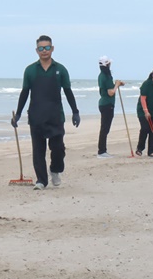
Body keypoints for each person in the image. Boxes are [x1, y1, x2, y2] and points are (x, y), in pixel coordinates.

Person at [12, 35, 80, 189]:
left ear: (52, 49)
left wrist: (75, 111)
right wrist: (18, 114)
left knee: (58, 149)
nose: (44, 51)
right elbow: (24, 93)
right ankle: (41, 181)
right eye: (41, 48)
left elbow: (68, 91)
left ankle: (55, 170)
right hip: (36, 116)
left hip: (55, 116)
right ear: (37, 50)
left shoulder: (60, 69)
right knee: (38, 151)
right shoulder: (30, 70)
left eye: (47, 47)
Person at [96, 56, 123, 158]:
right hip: (107, 104)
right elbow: (111, 92)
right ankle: (102, 151)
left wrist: (118, 84)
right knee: (105, 128)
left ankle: (102, 150)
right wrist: (116, 85)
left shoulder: (104, 75)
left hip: (106, 104)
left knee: (105, 128)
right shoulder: (105, 76)